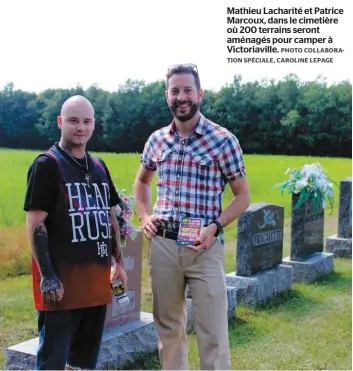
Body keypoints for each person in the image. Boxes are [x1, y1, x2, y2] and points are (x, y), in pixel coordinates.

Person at [134, 64, 250, 370]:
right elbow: (142, 181)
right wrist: (145, 215)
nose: (181, 97)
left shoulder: (223, 140)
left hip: (204, 246)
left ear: (199, 93)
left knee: (212, 331)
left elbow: (242, 196)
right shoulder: (156, 140)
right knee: (169, 329)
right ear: (166, 96)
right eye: (175, 91)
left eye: (187, 90)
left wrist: (215, 226)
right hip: (163, 245)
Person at [24, 95, 127, 370]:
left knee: (83, 363)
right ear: (60, 122)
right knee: (53, 363)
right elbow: (35, 223)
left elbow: (109, 215)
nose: (80, 127)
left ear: (93, 125)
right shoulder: (47, 165)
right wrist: (48, 277)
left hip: (95, 286)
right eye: (73, 121)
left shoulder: (99, 167)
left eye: (86, 121)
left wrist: (118, 263)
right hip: (61, 288)